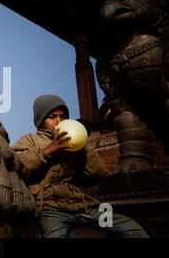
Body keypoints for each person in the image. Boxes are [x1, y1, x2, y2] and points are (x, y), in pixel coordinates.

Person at [12, 94, 149, 238]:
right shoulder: (29, 140)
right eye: (52, 117)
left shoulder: (74, 146)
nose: (59, 121)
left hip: (84, 207)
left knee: (130, 228)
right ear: (41, 121)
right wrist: (47, 150)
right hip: (49, 210)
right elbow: (19, 168)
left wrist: (83, 145)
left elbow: (96, 174)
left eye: (63, 116)